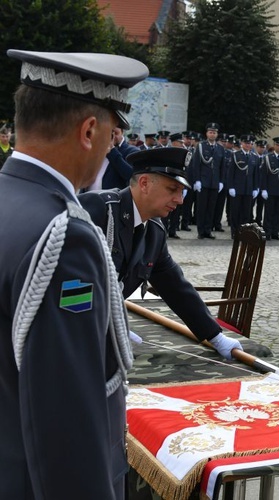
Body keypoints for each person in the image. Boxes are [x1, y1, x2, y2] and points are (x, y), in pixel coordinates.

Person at [0, 48, 148, 499]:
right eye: (111, 135)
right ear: (88, 130)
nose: (110, 149)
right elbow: (66, 416)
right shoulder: (64, 236)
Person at [78, 147, 264, 360]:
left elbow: (175, 286)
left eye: (181, 191)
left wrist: (215, 336)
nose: (180, 199)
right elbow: (66, 283)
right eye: (172, 189)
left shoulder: (154, 231)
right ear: (145, 184)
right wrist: (102, 325)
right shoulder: (98, 211)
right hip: (72, 336)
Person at [188, 122, 226, 239]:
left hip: (214, 182)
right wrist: (197, 180)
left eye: (214, 132)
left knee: (211, 208)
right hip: (203, 182)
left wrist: (221, 181)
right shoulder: (201, 146)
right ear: (207, 133)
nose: (212, 134)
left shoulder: (220, 148)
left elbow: (222, 166)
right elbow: (196, 165)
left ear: (217, 134)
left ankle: (208, 230)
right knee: (201, 208)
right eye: (210, 132)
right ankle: (201, 231)